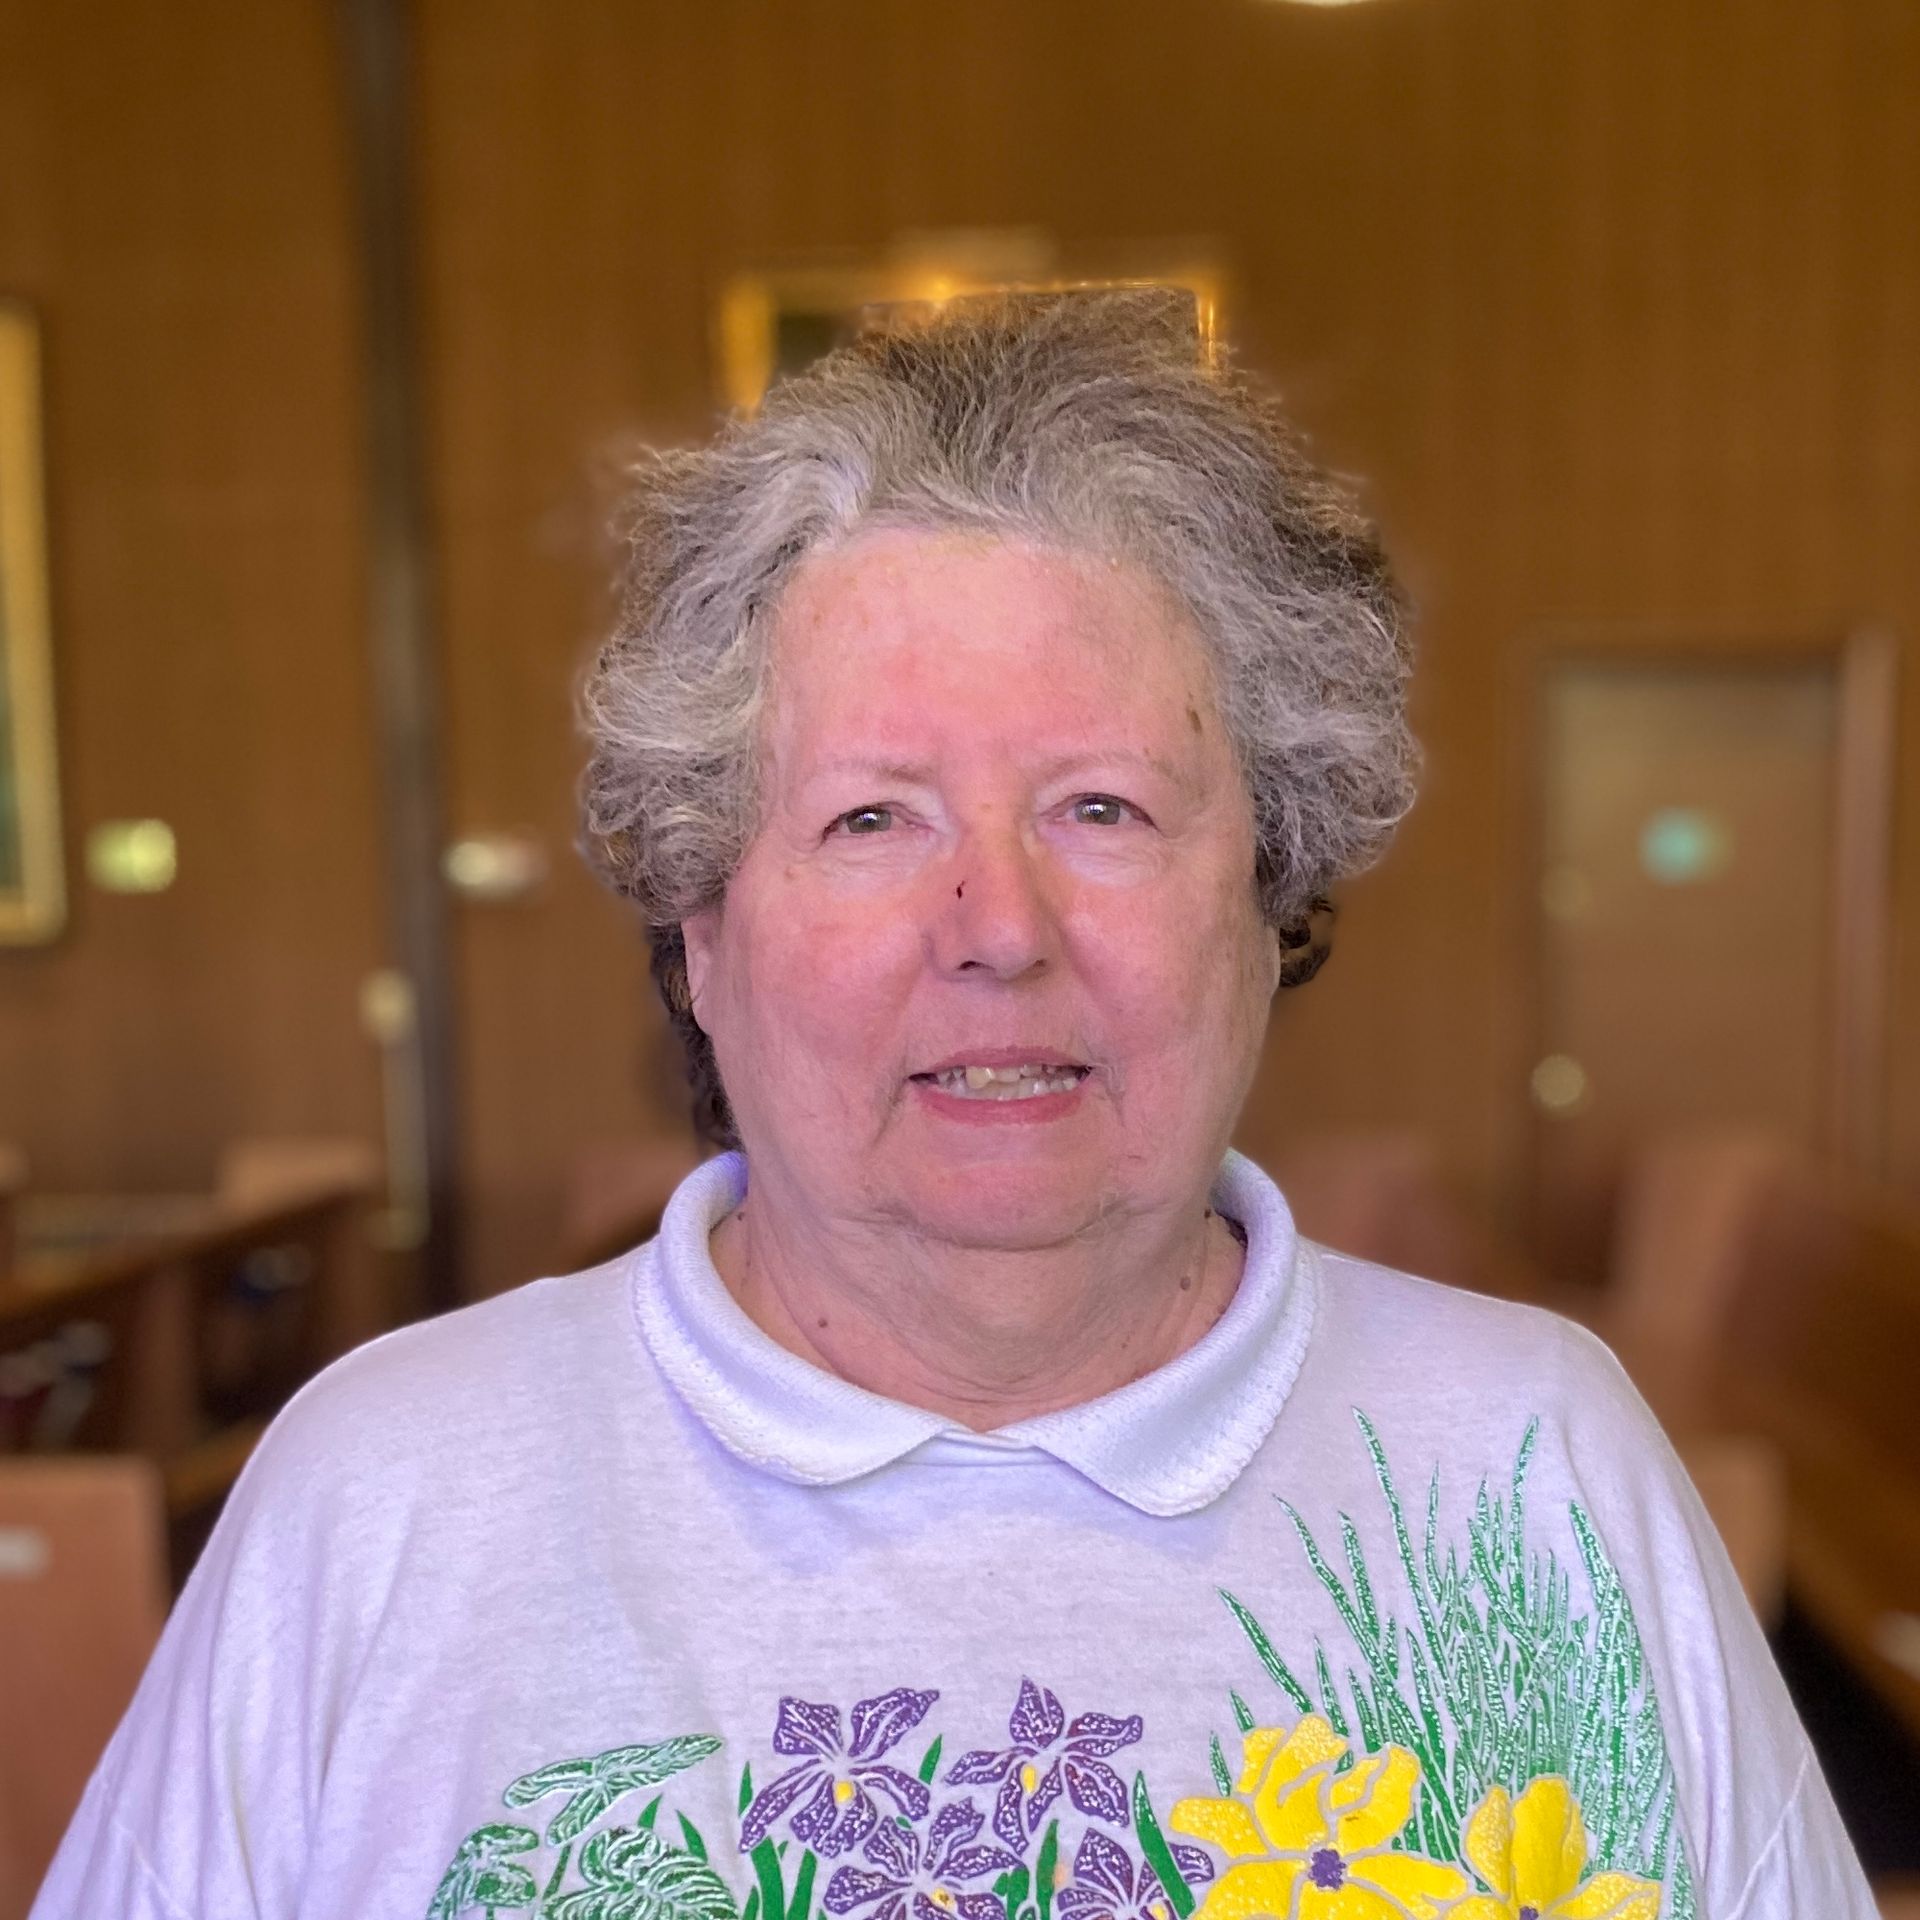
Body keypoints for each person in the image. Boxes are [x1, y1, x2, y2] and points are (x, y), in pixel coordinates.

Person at [35, 290, 1871, 1920]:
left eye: (1103, 809)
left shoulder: (1542, 1472)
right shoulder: (384, 1497)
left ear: (1266, 892)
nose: (1000, 927)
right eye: (871, 817)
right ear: (701, 930)